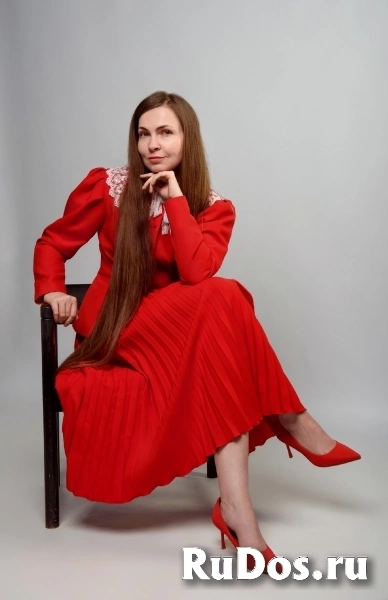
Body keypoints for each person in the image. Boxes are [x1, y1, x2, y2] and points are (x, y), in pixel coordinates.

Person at [33, 90, 361, 573]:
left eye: (166, 132)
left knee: (221, 320)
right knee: (227, 296)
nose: (152, 144)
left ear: (189, 139)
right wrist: (51, 291)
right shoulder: (108, 186)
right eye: (144, 134)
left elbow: (193, 272)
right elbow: (52, 242)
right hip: (113, 331)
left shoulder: (213, 207)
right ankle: (292, 419)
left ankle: (238, 513)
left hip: (175, 341)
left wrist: (176, 200)